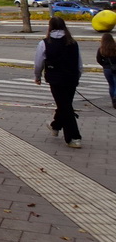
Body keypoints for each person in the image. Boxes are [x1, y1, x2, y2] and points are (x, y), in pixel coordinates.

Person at [34, 16, 83, 148]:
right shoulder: (72, 42)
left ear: (50, 27)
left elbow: (39, 62)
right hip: (71, 78)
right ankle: (55, 126)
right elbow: (79, 63)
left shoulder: (45, 43)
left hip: (55, 78)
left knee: (65, 106)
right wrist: (77, 76)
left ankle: (74, 137)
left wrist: (37, 76)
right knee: (65, 104)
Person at [97, 32, 116, 109]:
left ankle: (113, 100)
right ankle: (115, 97)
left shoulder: (101, 49)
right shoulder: (115, 47)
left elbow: (98, 59)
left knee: (111, 84)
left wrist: (104, 65)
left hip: (107, 69)